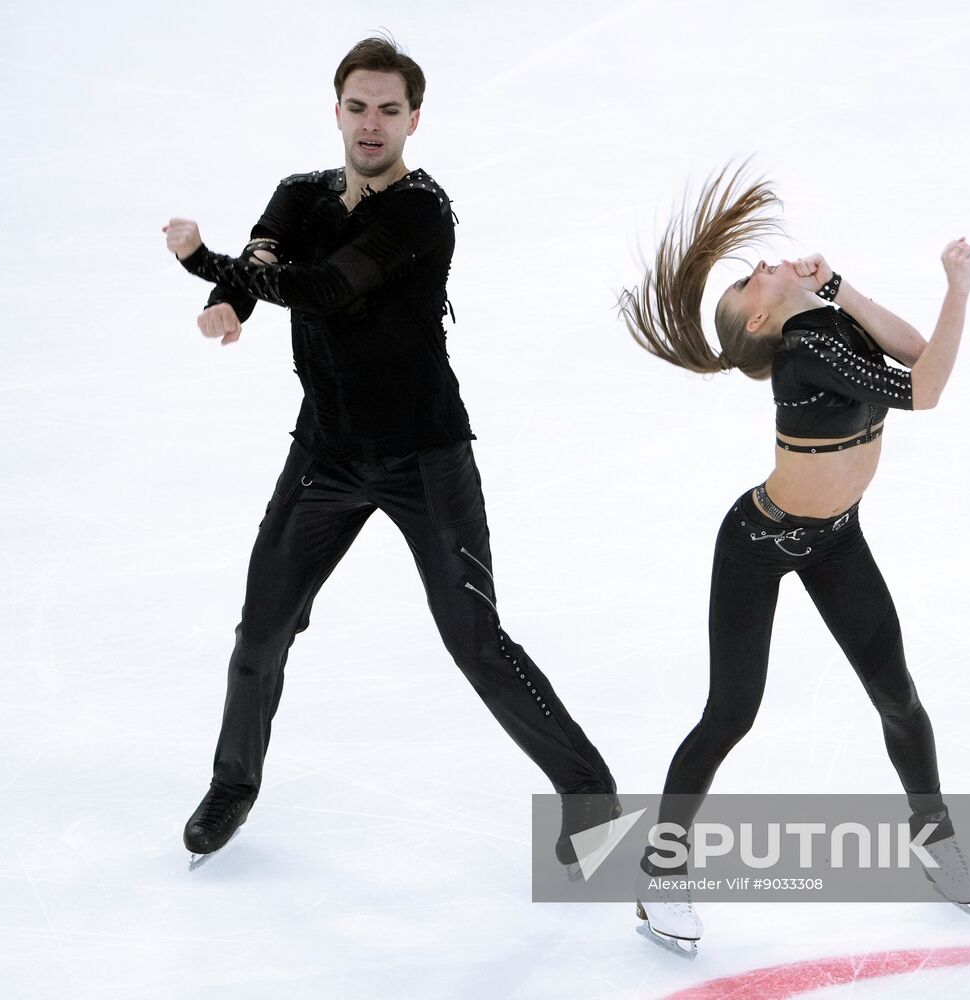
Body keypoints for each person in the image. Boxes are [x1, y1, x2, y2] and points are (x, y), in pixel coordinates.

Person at [161, 36, 617, 872]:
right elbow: (268, 258)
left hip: (424, 458)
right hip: (326, 455)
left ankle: (592, 800)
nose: (372, 124)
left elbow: (327, 287)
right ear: (336, 109)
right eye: (359, 107)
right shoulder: (300, 195)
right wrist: (229, 297)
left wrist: (200, 263)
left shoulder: (420, 211)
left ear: (415, 118)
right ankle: (233, 784)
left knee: (475, 640)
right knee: (262, 626)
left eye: (390, 110)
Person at [617, 165, 970, 957]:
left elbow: (913, 353)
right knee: (731, 713)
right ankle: (660, 876)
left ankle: (936, 842)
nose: (770, 263)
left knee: (897, 695)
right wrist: (957, 288)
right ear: (758, 311)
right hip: (758, 542)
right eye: (756, 275)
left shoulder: (824, 324)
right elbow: (926, 390)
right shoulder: (801, 352)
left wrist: (841, 284)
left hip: (835, 537)